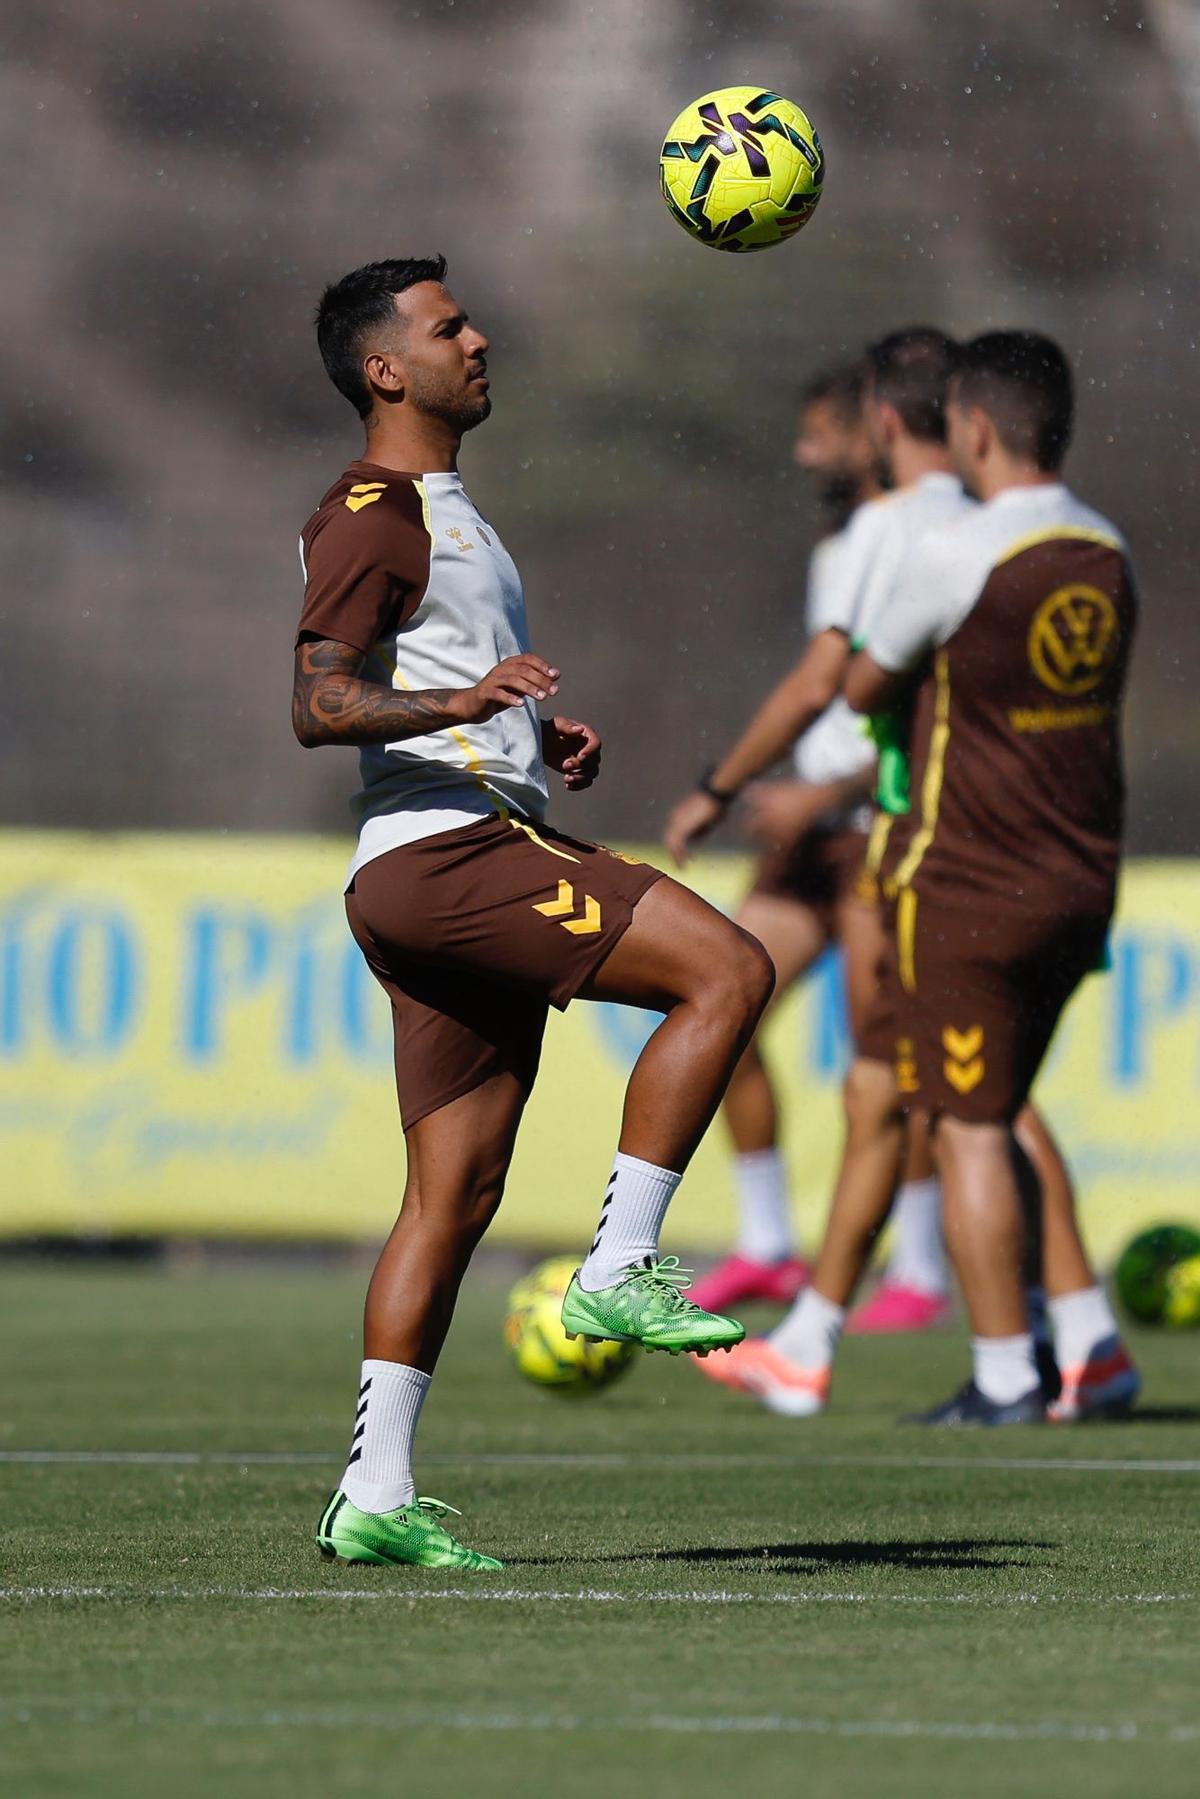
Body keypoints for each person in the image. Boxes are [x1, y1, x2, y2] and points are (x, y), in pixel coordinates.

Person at [293, 256, 774, 1570]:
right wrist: (459, 708)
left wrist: (523, 735)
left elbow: (419, 678)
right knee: (729, 968)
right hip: (448, 856)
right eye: (448, 327)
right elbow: (318, 699)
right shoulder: (373, 510)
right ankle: (621, 1262)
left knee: (452, 1195)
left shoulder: (449, 511)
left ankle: (373, 1492)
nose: (479, 339)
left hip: (444, 849)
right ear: (385, 369)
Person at [705, 331, 1140, 1424]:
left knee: (964, 1121)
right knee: (969, 1101)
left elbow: (858, 686)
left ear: (975, 428)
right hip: (1082, 872)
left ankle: (1004, 1372)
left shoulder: (953, 551)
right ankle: (1075, 1337)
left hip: (964, 876)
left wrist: (738, 782)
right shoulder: (1108, 547)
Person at [663, 347, 962, 1324]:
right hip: (813, 829)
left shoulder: (906, 528)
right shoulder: (852, 537)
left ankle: (918, 1266)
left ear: (876, 430)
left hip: (878, 825)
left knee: (888, 1055)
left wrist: (726, 786)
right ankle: (767, 1246)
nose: (803, 453)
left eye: (819, 434)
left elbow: (871, 696)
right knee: (721, 1004)